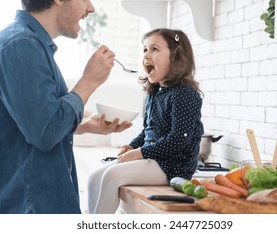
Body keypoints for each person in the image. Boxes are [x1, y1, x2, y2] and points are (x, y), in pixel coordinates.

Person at [0, 0, 132, 214]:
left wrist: (82, 126)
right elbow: (44, 132)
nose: (90, 7)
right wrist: (89, 81)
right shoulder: (20, 46)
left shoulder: (29, 46)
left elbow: (32, 123)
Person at [87, 28, 204, 214]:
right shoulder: (154, 93)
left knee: (111, 175)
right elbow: (147, 132)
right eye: (144, 50)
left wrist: (139, 153)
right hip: (153, 159)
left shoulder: (184, 94)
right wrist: (132, 147)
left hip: (173, 166)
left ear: (175, 57)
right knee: (93, 177)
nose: (146, 55)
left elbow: (178, 140)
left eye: (154, 49)